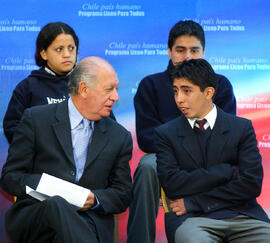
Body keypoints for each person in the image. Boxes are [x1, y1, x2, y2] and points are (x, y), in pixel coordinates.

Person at [0, 56, 132, 243]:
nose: (116, 97)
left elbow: (123, 193)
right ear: (84, 90)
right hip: (38, 219)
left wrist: (94, 199)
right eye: (109, 89)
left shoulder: (118, 136)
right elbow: (10, 178)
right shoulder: (36, 120)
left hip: (89, 222)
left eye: (116, 88)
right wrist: (49, 187)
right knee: (56, 203)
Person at [127, 20, 237, 243]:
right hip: (165, 158)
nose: (188, 56)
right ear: (169, 51)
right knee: (148, 166)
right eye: (180, 50)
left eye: (194, 50)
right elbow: (147, 139)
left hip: (211, 158)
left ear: (204, 52)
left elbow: (228, 134)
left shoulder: (221, 85)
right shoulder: (151, 85)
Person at [155, 58, 270, 243]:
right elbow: (173, 185)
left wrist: (195, 201)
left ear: (208, 92)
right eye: (175, 91)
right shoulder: (166, 134)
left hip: (243, 215)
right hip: (192, 220)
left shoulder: (241, 128)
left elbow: (251, 184)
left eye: (186, 91)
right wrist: (226, 172)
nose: (179, 99)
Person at [3, 21, 115, 144]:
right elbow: (12, 128)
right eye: (59, 49)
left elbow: (111, 127)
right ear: (44, 53)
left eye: (71, 48)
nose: (67, 55)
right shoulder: (27, 87)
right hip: (44, 159)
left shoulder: (90, 84)